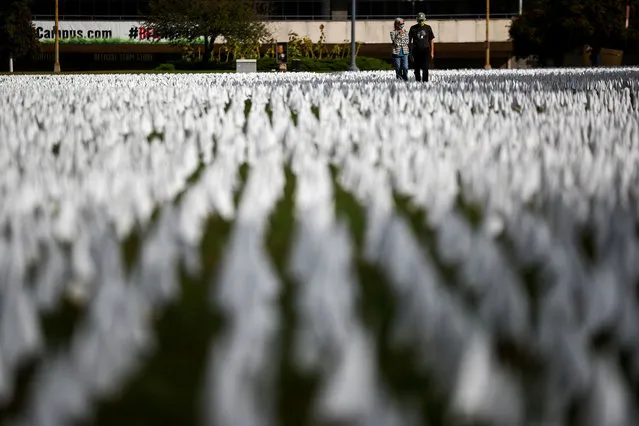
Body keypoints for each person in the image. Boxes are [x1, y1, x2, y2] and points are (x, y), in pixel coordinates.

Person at [409, 12, 435, 82]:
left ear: (425, 20)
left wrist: (432, 52)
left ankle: (425, 82)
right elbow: (409, 41)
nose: (421, 22)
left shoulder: (428, 28)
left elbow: (431, 40)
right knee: (416, 68)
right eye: (420, 20)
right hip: (416, 50)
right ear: (417, 20)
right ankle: (418, 81)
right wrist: (410, 52)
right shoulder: (413, 28)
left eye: (422, 20)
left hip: (426, 50)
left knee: (425, 67)